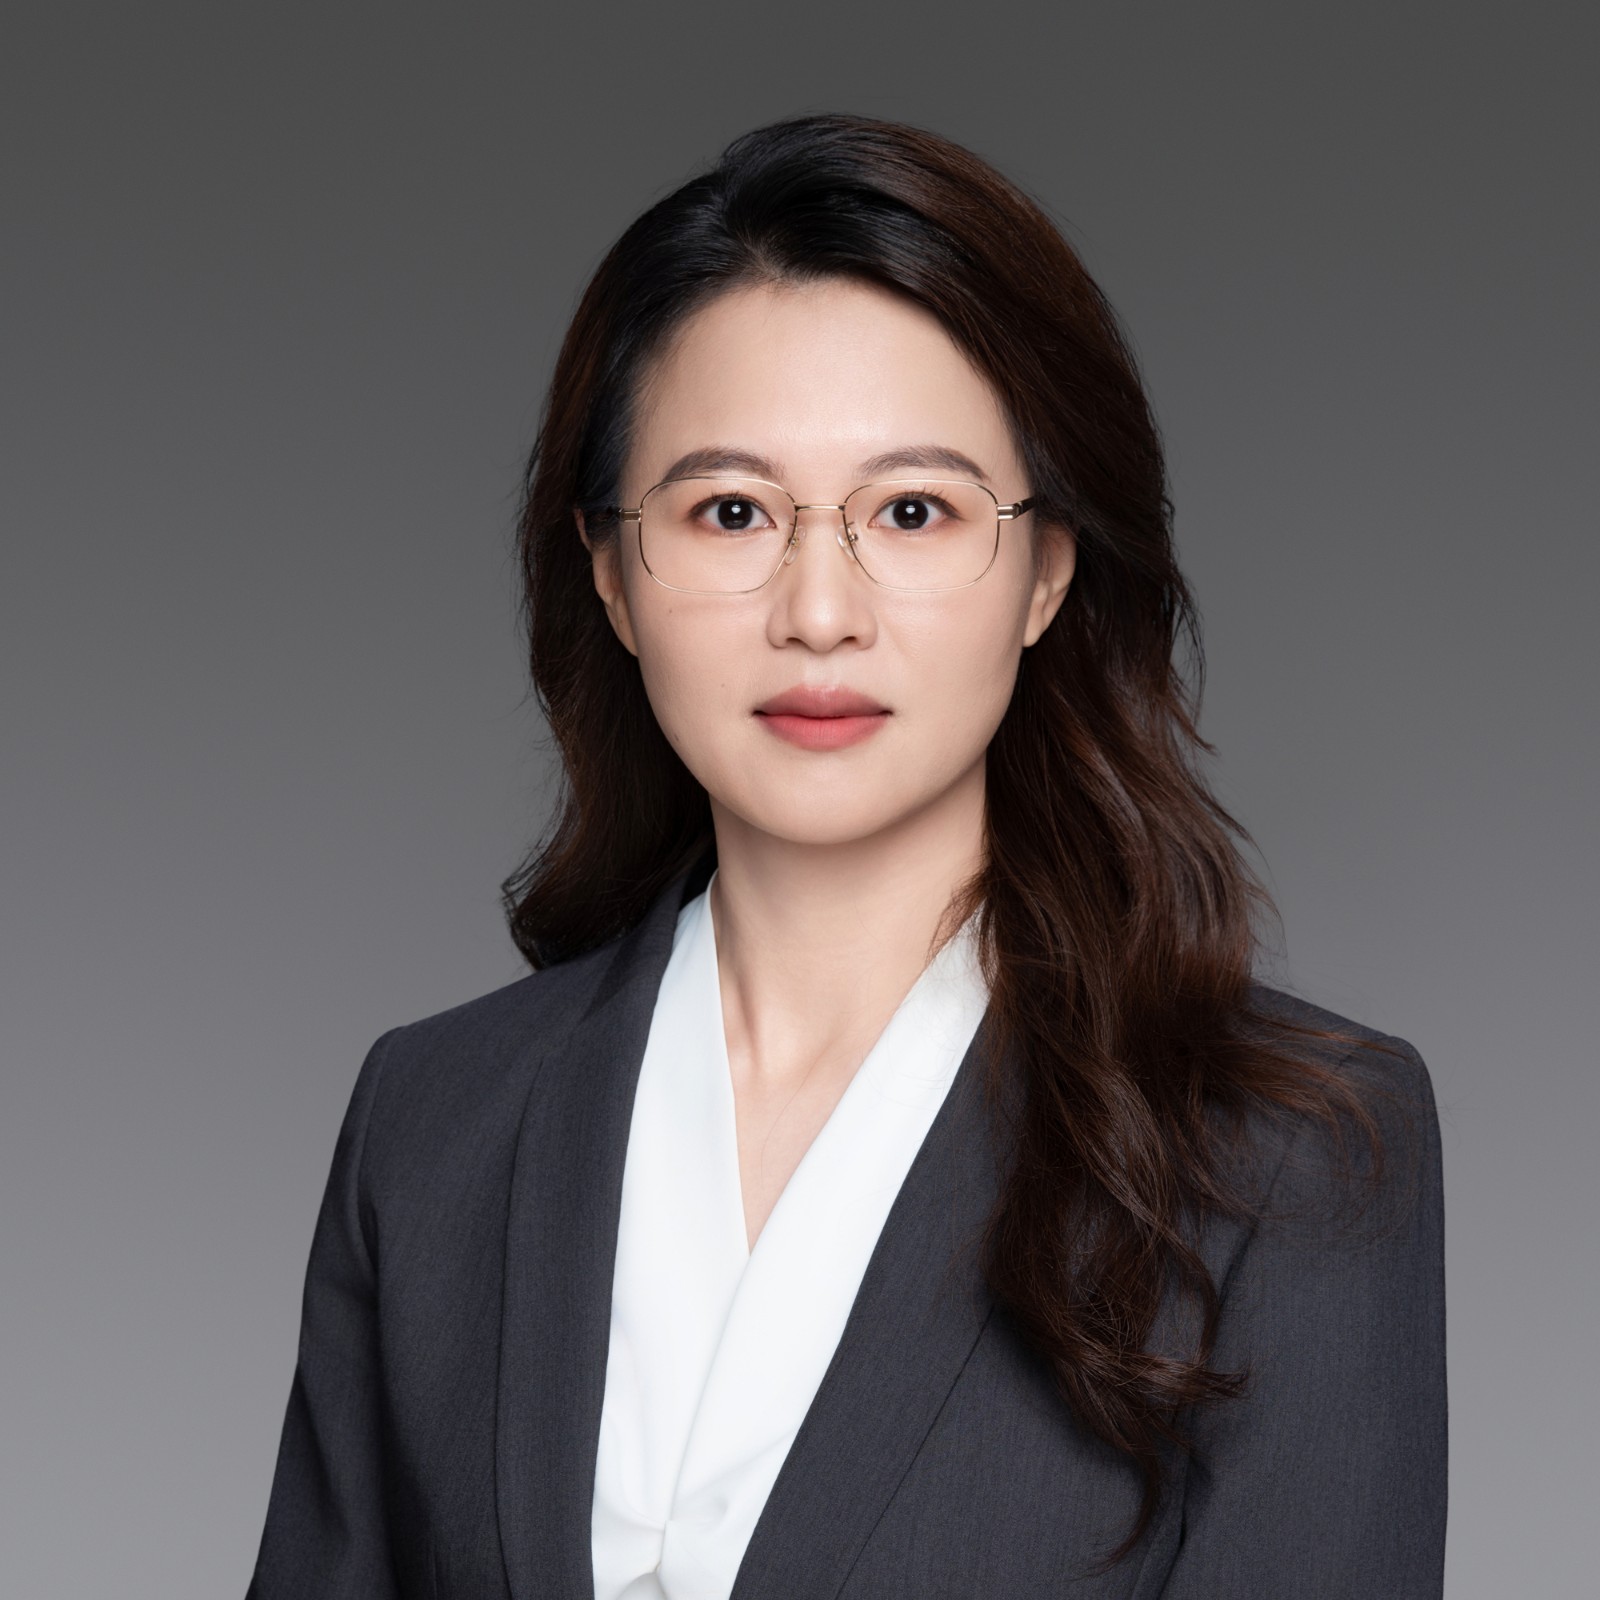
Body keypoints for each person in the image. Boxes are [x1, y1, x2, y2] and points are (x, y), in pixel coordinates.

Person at [246, 113, 1446, 1598]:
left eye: (914, 511)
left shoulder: (1292, 1159)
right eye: (731, 511)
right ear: (612, 573)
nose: (820, 611)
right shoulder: (434, 1125)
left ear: (1045, 571)